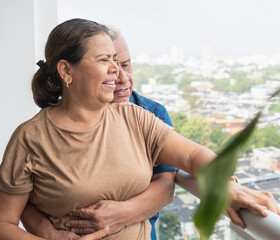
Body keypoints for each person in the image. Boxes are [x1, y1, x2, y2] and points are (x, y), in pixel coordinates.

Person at [0, 18, 280, 240]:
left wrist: (228, 188)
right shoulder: (30, 139)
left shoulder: (135, 118)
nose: (117, 71)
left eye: (118, 61)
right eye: (105, 60)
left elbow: (193, 157)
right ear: (66, 71)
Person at [20, 27, 178, 240]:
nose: (121, 77)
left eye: (125, 64)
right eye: (107, 63)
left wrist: (121, 214)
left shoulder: (148, 114)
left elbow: (168, 183)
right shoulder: (48, 128)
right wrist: (51, 235)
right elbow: (21, 202)